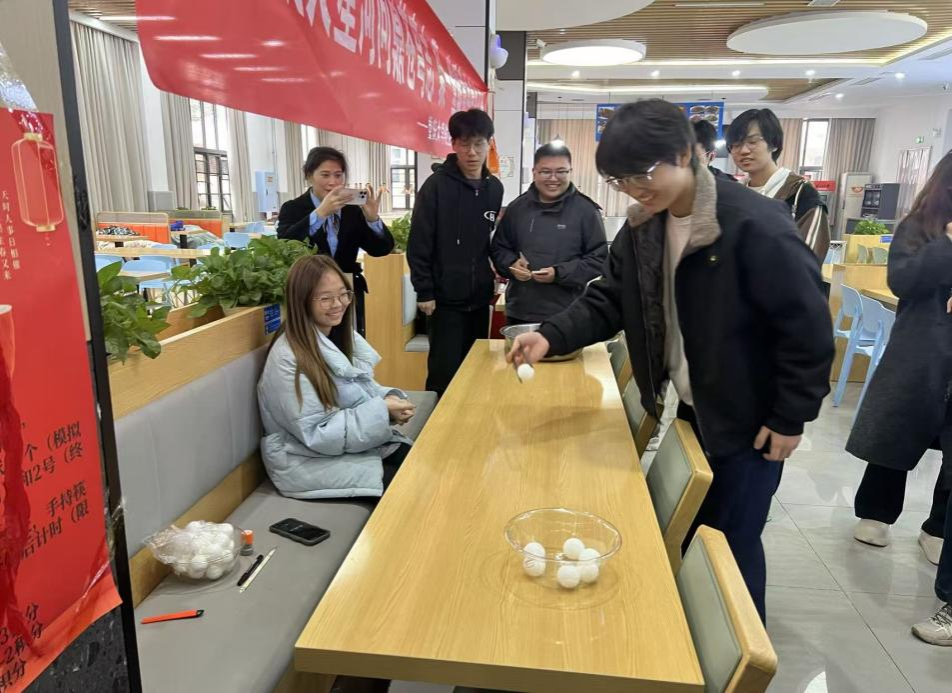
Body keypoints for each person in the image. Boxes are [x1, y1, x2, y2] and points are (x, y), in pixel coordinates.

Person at [508, 99, 834, 622]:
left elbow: (808, 325)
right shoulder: (646, 224)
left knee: (731, 543)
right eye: (621, 180)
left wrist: (789, 414)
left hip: (751, 417)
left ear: (685, 154)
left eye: (642, 174)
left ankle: (740, 653)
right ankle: (688, 635)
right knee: (696, 532)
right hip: (694, 406)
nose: (634, 189)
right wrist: (550, 336)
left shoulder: (752, 223)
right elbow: (609, 298)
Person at [845, 150, 952, 646]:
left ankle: (937, 528)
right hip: (920, 348)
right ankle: (875, 513)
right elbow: (903, 280)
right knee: (897, 432)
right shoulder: (919, 227)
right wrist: (947, 245)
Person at [257, 255, 416, 500]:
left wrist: (390, 400)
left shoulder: (335, 336)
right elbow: (318, 434)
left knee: (430, 465)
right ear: (301, 301)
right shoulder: (289, 358)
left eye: (343, 294)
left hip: (343, 452)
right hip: (307, 463)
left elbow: (360, 391)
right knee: (418, 489)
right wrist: (382, 411)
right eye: (325, 298)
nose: (338, 304)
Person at [408, 109, 504, 396]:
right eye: (464, 144)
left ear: (489, 144)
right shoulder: (435, 186)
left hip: (480, 297)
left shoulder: (494, 189)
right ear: (453, 144)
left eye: (478, 144)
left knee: (475, 370)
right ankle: (436, 422)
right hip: (444, 299)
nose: (471, 152)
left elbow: (489, 241)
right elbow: (419, 241)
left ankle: (472, 423)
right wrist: (424, 290)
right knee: (444, 373)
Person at [277, 146, 394, 335]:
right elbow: (284, 244)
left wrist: (372, 219)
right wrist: (320, 214)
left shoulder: (352, 209)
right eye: (325, 175)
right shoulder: (293, 208)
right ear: (309, 176)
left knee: (350, 345)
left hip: (346, 293)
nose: (332, 182)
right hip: (310, 295)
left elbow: (381, 249)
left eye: (338, 175)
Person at [490, 143, 607, 326]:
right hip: (521, 311)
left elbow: (598, 259)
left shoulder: (586, 211)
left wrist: (559, 273)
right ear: (534, 172)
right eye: (545, 172)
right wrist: (511, 264)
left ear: (570, 172)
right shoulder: (517, 208)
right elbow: (499, 248)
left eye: (561, 171)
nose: (553, 178)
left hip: (569, 312)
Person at [726, 108, 830, 262]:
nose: (743, 150)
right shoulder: (734, 194)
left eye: (752, 142)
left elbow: (807, 261)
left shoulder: (801, 194)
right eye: (735, 144)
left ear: (774, 144)